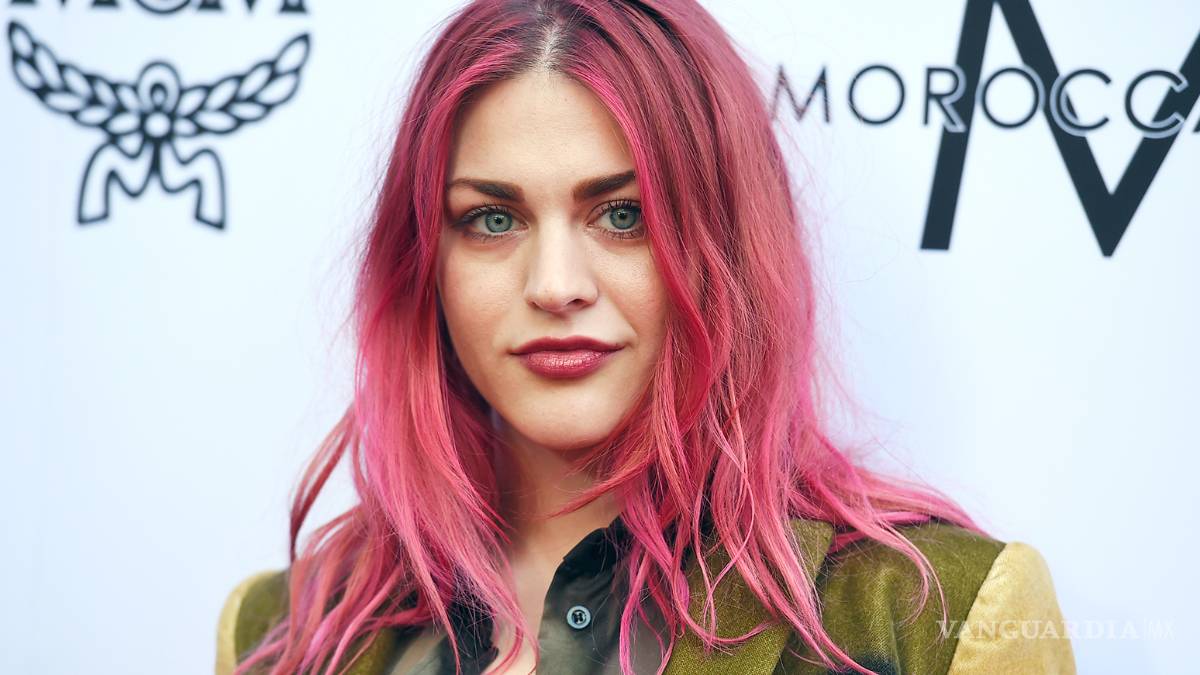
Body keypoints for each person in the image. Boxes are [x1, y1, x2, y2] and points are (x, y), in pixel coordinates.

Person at [215, 1, 1075, 673]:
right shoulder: (282, 634)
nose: (556, 285)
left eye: (623, 214)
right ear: (423, 262)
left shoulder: (932, 617)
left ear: (726, 248)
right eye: (493, 219)